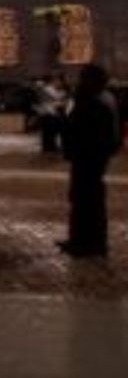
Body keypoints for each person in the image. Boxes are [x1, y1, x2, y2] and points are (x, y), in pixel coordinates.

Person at [58, 63, 121, 258]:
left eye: (83, 78)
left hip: (88, 158)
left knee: (86, 201)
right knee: (83, 199)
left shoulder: (94, 101)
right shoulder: (102, 97)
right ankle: (81, 240)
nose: (79, 82)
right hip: (91, 157)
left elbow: (85, 131)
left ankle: (88, 244)